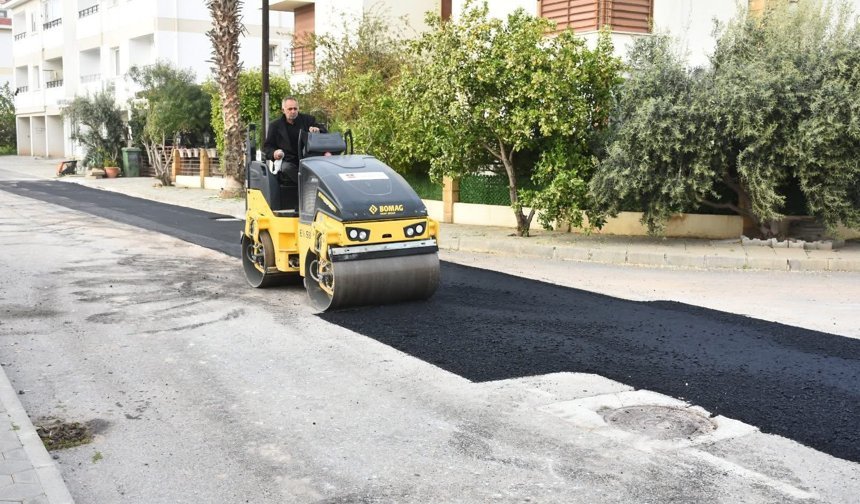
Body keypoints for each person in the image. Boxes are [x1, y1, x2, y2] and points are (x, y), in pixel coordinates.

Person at [262, 96, 326, 184]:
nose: (293, 111)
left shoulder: (308, 120)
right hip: (287, 160)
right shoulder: (275, 126)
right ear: (283, 110)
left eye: (295, 109)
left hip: (308, 159)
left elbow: (324, 131)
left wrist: (318, 129)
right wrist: (275, 153)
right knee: (286, 168)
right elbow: (267, 147)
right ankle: (307, 186)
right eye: (290, 109)